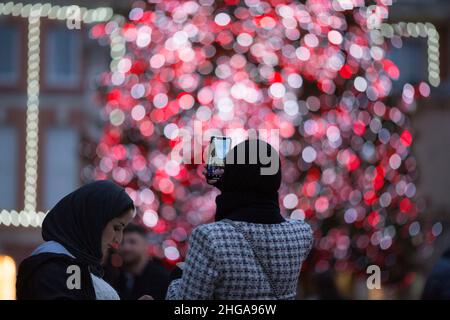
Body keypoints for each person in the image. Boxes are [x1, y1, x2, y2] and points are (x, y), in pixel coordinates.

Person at [166, 139, 314, 300]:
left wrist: (178, 278)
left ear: (232, 175)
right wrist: (231, 185)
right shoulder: (302, 233)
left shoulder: (209, 238)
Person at [16, 180, 135, 300]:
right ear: (93, 222)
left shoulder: (72, 266)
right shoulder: (60, 268)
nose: (118, 239)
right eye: (116, 228)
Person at [110, 224, 170, 300]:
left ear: (145, 245)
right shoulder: (114, 277)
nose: (126, 247)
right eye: (122, 242)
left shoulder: (162, 280)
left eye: (132, 242)